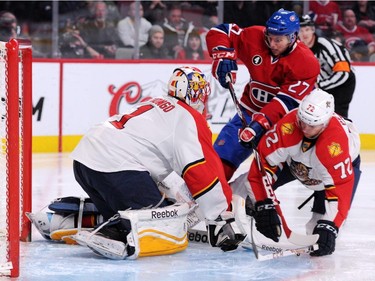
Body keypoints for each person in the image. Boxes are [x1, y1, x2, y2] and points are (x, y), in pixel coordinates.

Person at [67, 66, 245, 259]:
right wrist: (220, 216)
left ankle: (82, 218)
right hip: (116, 167)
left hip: (84, 161)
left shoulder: (156, 102)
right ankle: (119, 232)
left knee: (152, 203)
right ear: (198, 94)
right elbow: (201, 170)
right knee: (165, 225)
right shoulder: (188, 117)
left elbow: (155, 163)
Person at [205, 9, 320, 181]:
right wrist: (222, 56)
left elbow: (286, 102)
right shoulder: (255, 36)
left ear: (293, 37)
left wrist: (258, 126)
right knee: (216, 167)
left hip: (282, 127)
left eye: (278, 40)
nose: (272, 44)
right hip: (247, 113)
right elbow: (221, 31)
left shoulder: (306, 62)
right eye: (269, 37)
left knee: (262, 183)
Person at [245, 89, 361, 256]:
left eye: (311, 124)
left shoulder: (334, 146)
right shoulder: (289, 125)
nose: (304, 128)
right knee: (245, 189)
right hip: (296, 161)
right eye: (302, 120)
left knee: (320, 235)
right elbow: (260, 167)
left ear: (325, 123)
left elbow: (340, 188)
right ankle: (228, 222)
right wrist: (263, 204)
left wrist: (330, 226)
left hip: (327, 174)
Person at [299, 14, 356, 118]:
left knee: (337, 115)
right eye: (301, 30)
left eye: (307, 29)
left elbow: (343, 72)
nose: (304, 34)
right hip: (323, 84)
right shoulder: (299, 49)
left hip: (343, 83)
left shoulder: (325, 45)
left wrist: (320, 85)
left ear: (313, 30)